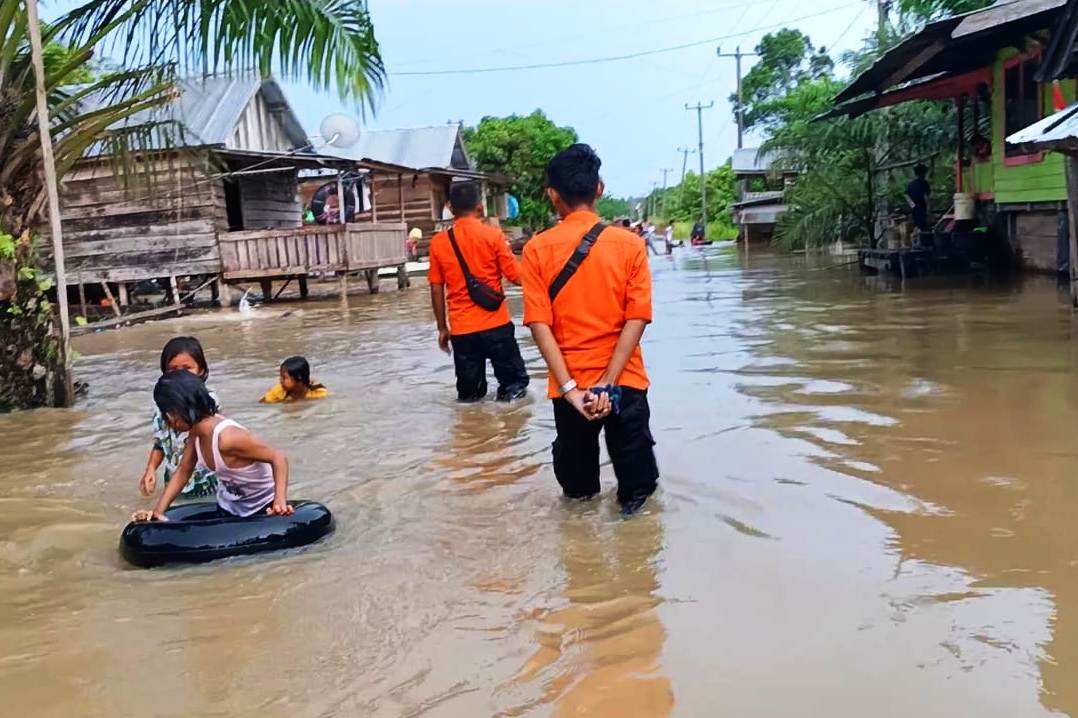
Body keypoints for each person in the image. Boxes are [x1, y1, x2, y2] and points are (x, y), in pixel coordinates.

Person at [521, 143, 658, 515]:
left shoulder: (536, 250)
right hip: (624, 382)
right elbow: (638, 318)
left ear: (552, 195)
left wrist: (570, 389)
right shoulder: (630, 245)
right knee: (638, 499)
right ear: (600, 189)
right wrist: (609, 383)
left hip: (571, 392)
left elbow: (538, 324)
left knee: (578, 500)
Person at [133, 371, 292, 521]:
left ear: (172, 414)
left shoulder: (227, 438)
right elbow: (183, 471)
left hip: (262, 505)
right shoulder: (196, 433)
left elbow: (278, 457)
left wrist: (279, 503)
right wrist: (158, 513)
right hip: (230, 506)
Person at [429, 181, 530, 402]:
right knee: (514, 388)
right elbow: (518, 277)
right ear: (480, 207)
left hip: (462, 330)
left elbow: (436, 289)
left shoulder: (438, 243)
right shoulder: (493, 236)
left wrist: (442, 328)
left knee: (469, 397)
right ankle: (510, 432)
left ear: (450, 207)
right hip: (497, 326)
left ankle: (473, 434)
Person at [137, 337, 218, 499]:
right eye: (173, 369)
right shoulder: (162, 406)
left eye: (187, 368)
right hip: (174, 481)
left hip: (206, 484)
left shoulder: (208, 401)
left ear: (201, 370)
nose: (180, 374)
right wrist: (150, 469)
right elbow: (160, 443)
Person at [260, 356, 329, 403]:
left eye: (284, 377)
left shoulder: (318, 393)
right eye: (280, 376)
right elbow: (262, 405)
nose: (280, 380)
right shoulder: (279, 390)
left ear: (299, 379)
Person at [906, 164, 931, 232]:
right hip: (922, 210)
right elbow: (926, 197)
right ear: (923, 173)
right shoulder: (924, 183)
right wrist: (928, 211)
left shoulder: (910, 184)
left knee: (917, 228)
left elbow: (907, 197)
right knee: (925, 228)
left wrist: (913, 207)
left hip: (914, 210)